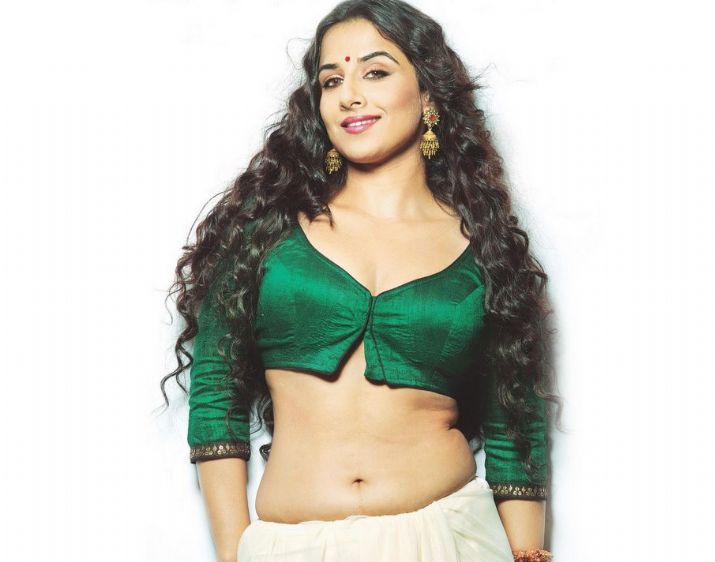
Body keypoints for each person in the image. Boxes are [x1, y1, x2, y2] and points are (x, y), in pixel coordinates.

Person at [161, 1, 560, 560]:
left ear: (428, 95)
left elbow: (515, 427)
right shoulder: (265, 230)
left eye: (375, 72)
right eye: (331, 81)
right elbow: (215, 393)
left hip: (450, 538)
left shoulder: (487, 252)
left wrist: (527, 555)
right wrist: (233, 553)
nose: (349, 95)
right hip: (295, 546)